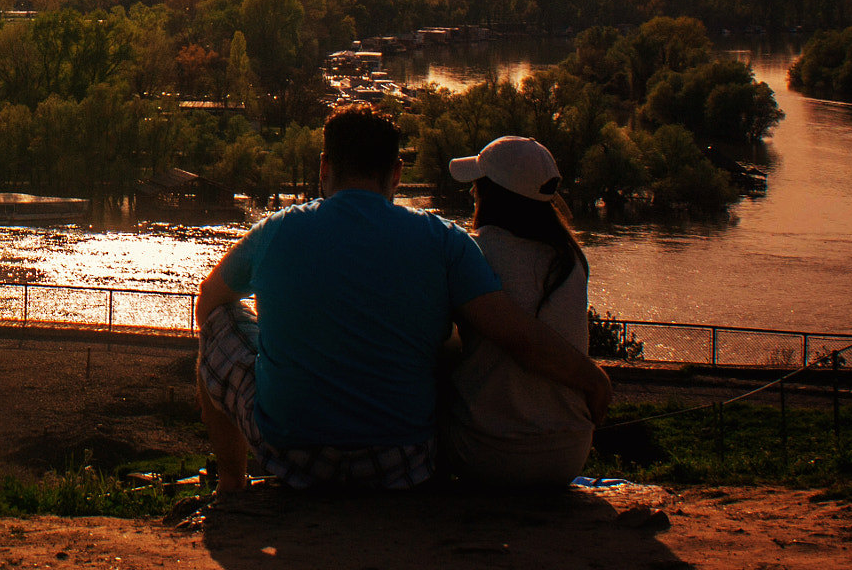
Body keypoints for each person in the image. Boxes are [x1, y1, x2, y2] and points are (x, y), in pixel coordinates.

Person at [195, 106, 610, 491]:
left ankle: (232, 483)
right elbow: (512, 332)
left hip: (293, 457)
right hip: (404, 463)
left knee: (220, 317)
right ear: (396, 172)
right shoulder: (447, 241)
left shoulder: (275, 231)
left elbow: (208, 301)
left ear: (324, 166)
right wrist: (591, 377)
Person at [441, 136, 597, 486]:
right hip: (569, 453)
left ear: (489, 193)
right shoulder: (571, 259)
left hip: (485, 453)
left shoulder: (472, 252)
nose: (471, 194)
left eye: (477, 186)